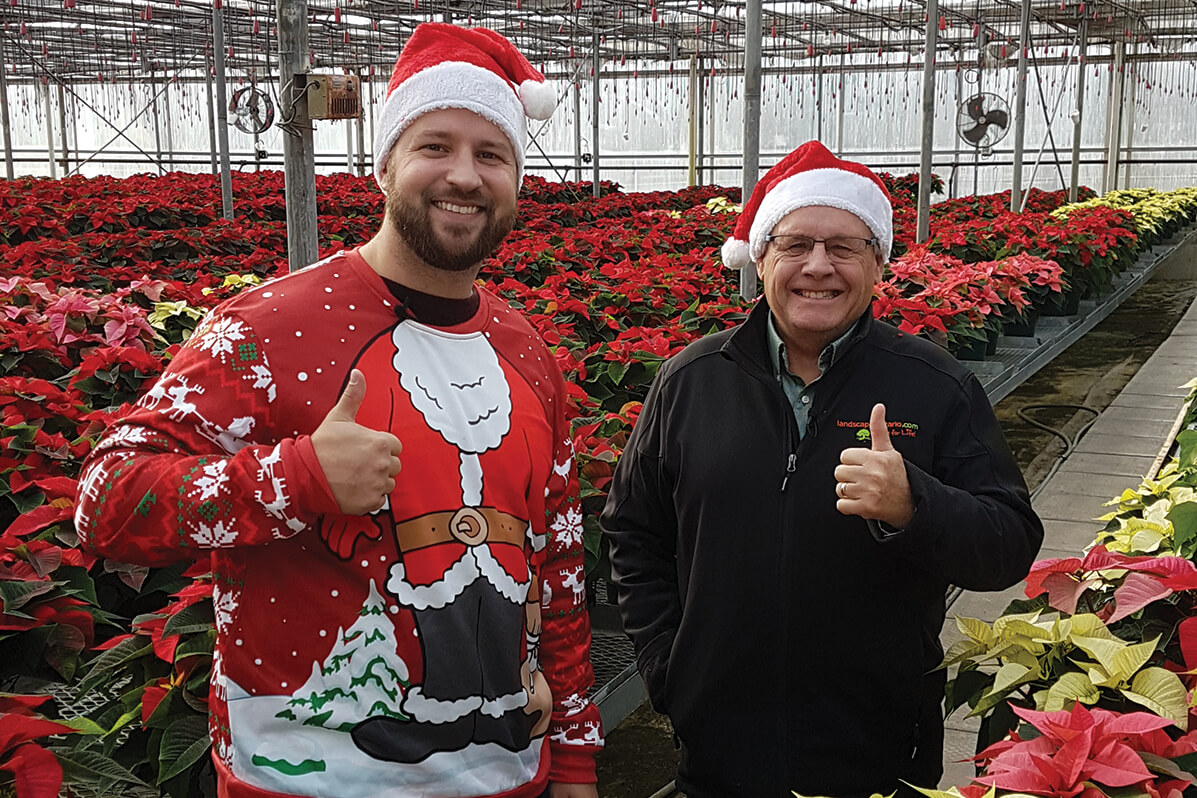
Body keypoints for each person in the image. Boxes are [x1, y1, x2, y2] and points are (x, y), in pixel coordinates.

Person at [75, 22, 602, 798]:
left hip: (506, 775)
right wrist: (293, 480)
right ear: (384, 166)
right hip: (303, 782)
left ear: (516, 181)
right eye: (435, 146)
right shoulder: (265, 328)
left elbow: (555, 564)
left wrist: (578, 758)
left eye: (491, 154)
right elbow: (104, 504)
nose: (463, 174)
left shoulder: (525, 350)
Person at [601, 141, 1043, 798]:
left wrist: (914, 504)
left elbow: (1009, 542)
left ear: (877, 263)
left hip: (876, 743)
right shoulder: (690, 381)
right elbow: (634, 532)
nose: (817, 266)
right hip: (719, 743)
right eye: (795, 244)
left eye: (843, 247)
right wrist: (670, 665)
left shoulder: (933, 385)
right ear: (760, 256)